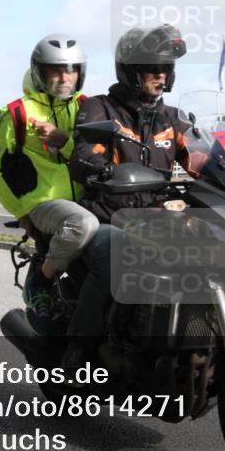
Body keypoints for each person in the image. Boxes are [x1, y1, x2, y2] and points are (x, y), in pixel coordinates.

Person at [64, 23, 200, 369]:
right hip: (110, 217)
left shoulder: (173, 119)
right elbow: (83, 154)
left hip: (158, 220)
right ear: (130, 71)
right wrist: (103, 169)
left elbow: (201, 157)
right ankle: (77, 352)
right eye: (153, 68)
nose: (162, 75)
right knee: (116, 254)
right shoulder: (101, 109)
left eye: (166, 68)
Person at [0, 34, 100, 331]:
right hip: (42, 202)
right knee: (82, 225)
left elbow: (93, 156)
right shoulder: (14, 113)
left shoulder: (88, 108)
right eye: (55, 70)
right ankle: (39, 282)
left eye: (71, 69)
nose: (64, 77)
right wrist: (21, 211)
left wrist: (63, 141)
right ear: (39, 71)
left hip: (86, 200)